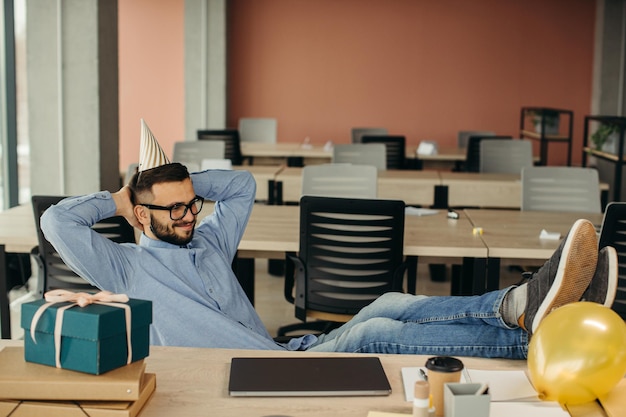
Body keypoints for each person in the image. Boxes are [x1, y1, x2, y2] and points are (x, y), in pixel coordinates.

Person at [40, 121, 618, 358]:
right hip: (251, 375)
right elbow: (56, 224)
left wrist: (180, 184)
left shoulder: (208, 242)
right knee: (375, 332)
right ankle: (529, 341)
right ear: (141, 218)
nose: (191, 214)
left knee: (386, 302)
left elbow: (240, 185)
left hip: (284, 355)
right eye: (175, 210)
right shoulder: (125, 270)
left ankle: (515, 305)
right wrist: (122, 198)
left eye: (193, 203)